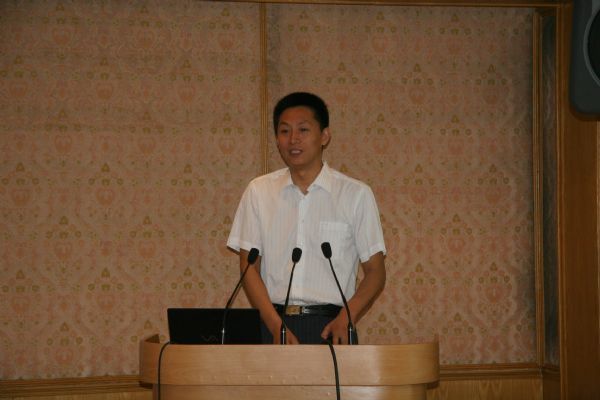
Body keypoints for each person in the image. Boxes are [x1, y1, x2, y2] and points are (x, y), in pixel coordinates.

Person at [227, 92, 386, 344]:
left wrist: (347, 316)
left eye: (303, 129)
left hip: (333, 327)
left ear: (324, 136)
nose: (293, 139)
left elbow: (376, 271)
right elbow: (249, 267)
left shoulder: (355, 194)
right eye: (284, 131)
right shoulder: (259, 192)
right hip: (272, 324)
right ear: (277, 139)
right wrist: (275, 326)